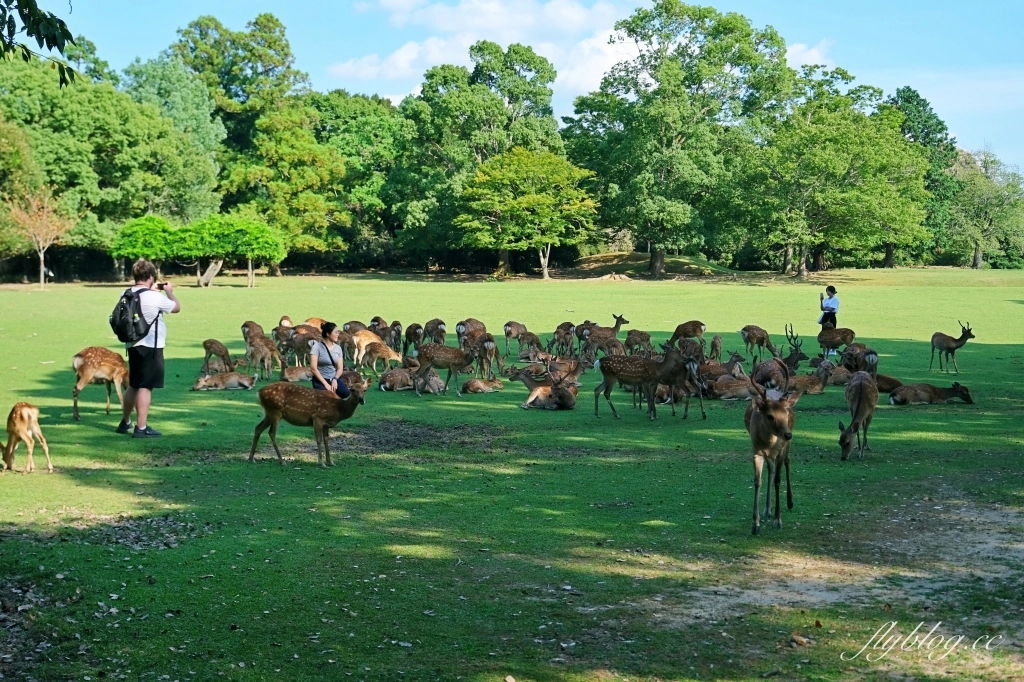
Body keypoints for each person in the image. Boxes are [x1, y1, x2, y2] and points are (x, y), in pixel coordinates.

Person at [116, 259, 180, 438]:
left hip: (132, 344)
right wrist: (169, 293)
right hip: (151, 346)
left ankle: (125, 421)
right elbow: (176, 308)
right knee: (146, 387)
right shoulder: (155, 297)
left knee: (134, 384)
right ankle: (141, 427)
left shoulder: (126, 293)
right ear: (151, 277)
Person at [309, 322, 350, 398]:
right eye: (336, 332)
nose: (338, 334)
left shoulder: (338, 348)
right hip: (320, 380)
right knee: (327, 396)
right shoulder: (316, 347)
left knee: (345, 393)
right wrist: (326, 384)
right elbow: (313, 368)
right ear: (328, 334)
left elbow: (340, 368)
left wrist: (335, 379)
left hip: (334, 378)